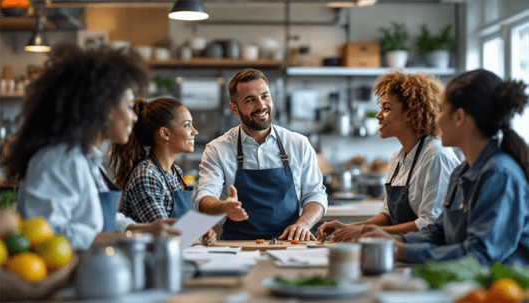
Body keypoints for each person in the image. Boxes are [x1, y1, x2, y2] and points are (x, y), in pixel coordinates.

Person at [2, 43, 180, 251]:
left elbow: (101, 218)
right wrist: (129, 239)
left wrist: (146, 229)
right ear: (104, 109)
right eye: (129, 107)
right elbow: (49, 234)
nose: (134, 116)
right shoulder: (58, 160)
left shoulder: (88, 158)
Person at [360, 69, 529, 266]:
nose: (435, 118)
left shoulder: (500, 174)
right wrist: (395, 241)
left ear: (459, 117)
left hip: (504, 290)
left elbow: (480, 255)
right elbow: (439, 232)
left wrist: (402, 251)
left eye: (440, 110)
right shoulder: (462, 171)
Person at [317, 71, 460, 242]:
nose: (378, 115)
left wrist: (364, 232)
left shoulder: (436, 156)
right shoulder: (398, 158)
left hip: (431, 255)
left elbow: (429, 224)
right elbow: (387, 215)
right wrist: (350, 228)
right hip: (404, 249)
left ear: (410, 113)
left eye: (386, 109)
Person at [192, 68, 328, 241]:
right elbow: (204, 196)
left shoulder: (298, 144)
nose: (261, 105)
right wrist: (223, 207)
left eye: (265, 96)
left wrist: (304, 224)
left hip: (290, 243)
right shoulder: (218, 149)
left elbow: (315, 194)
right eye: (250, 100)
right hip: (238, 245)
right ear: (234, 108)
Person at [108, 97, 216, 245]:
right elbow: (165, 234)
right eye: (187, 125)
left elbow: (183, 227)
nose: (195, 131)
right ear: (165, 134)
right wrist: (196, 234)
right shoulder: (146, 175)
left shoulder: (175, 172)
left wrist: (204, 232)